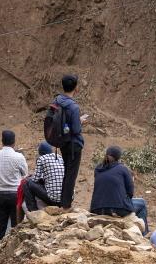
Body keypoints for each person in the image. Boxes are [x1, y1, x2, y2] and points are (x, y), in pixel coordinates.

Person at [0, 130, 29, 243]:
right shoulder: (19, 157)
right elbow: (25, 174)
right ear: (14, 142)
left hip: (0, 195)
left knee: (0, 229)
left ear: (2, 141)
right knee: (16, 227)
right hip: (15, 194)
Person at [54, 73, 85, 209]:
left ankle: (63, 202)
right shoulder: (73, 107)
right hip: (74, 145)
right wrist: (80, 121)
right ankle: (65, 205)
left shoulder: (57, 101)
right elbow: (76, 130)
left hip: (62, 142)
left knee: (67, 171)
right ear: (75, 88)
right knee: (71, 175)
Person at [26, 142, 65, 210]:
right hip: (65, 199)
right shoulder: (60, 157)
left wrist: (30, 177)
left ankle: (33, 210)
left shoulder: (41, 159)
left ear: (41, 152)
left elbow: (35, 179)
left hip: (54, 199)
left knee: (27, 182)